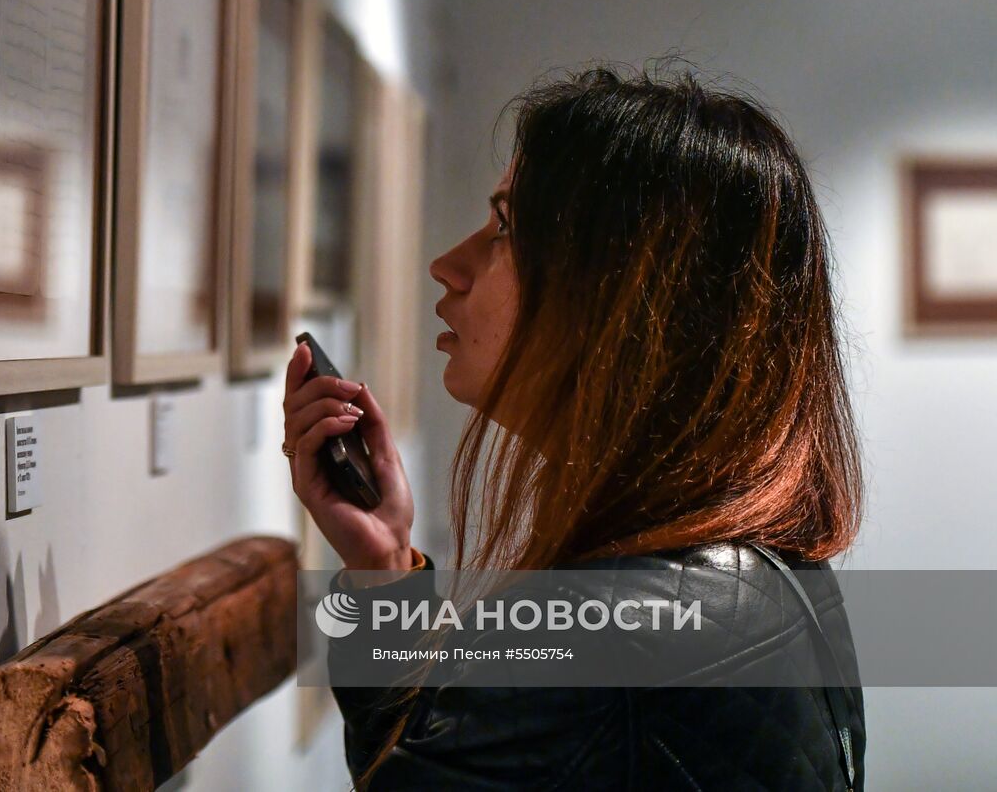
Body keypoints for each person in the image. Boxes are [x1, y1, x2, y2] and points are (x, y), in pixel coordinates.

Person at [282, 63, 866, 790]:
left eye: (504, 228)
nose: (448, 266)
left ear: (623, 292)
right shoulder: (763, 569)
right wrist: (383, 570)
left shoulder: (612, 631)